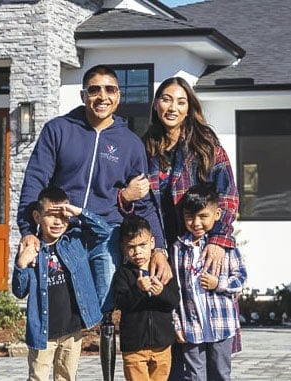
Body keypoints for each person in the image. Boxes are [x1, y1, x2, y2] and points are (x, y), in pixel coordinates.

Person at [16, 64, 171, 380]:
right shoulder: (59, 130)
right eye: (95, 89)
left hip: (106, 234)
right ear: (83, 94)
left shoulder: (129, 143)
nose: (102, 96)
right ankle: (49, 368)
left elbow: (144, 202)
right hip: (63, 237)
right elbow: (34, 181)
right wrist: (28, 231)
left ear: (119, 96)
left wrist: (160, 248)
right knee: (67, 313)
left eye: (110, 90)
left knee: (104, 310)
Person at [121, 76, 239, 379]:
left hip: (201, 248)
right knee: (169, 336)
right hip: (163, 250)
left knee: (209, 341)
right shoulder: (145, 146)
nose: (172, 107)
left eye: (181, 101)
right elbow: (139, 201)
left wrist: (218, 239)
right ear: (156, 104)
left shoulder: (205, 144)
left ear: (189, 108)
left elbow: (228, 196)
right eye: (166, 99)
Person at [12, 186, 110, 381]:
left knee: (66, 377)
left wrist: (78, 212)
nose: (58, 221)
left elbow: (105, 232)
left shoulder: (75, 240)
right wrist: (21, 264)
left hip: (72, 329)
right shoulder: (33, 248)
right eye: (51, 215)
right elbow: (19, 291)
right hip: (43, 331)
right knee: (37, 377)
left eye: (63, 215)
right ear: (37, 217)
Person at [171, 182, 247, 381]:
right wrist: (177, 323)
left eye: (203, 216)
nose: (196, 223)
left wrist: (218, 284)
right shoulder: (178, 248)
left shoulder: (225, 247)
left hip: (222, 325)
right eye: (190, 217)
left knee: (221, 374)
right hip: (191, 326)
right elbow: (175, 290)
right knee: (195, 376)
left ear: (217, 214)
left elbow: (240, 278)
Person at [113, 215, 179, 381]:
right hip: (134, 347)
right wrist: (138, 289)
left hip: (162, 345)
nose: (137, 252)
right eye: (131, 247)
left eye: (142, 245)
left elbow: (174, 301)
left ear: (152, 243)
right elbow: (121, 303)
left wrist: (161, 292)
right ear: (123, 248)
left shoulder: (163, 269)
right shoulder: (124, 273)